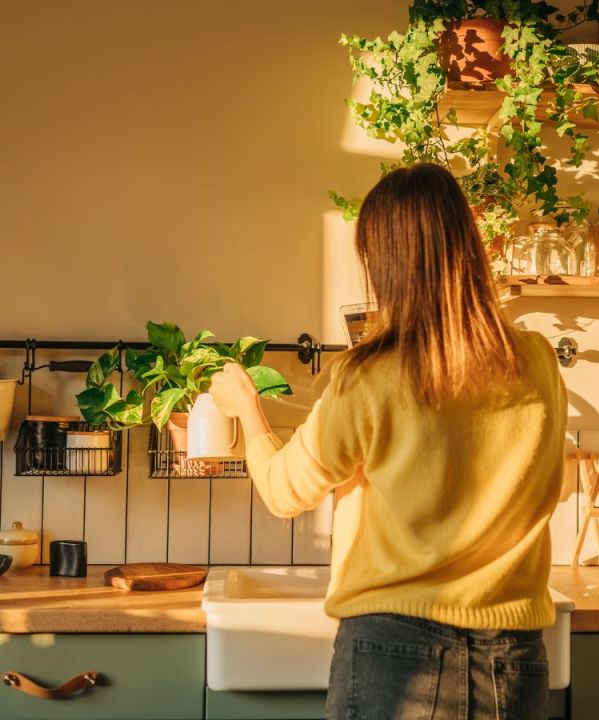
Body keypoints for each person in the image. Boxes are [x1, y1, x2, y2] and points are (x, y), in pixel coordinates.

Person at [209, 163, 567, 720]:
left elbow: (285, 493)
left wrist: (247, 410)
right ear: (467, 246)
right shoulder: (538, 360)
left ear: (384, 263)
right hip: (513, 655)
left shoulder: (369, 375)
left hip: (394, 649)